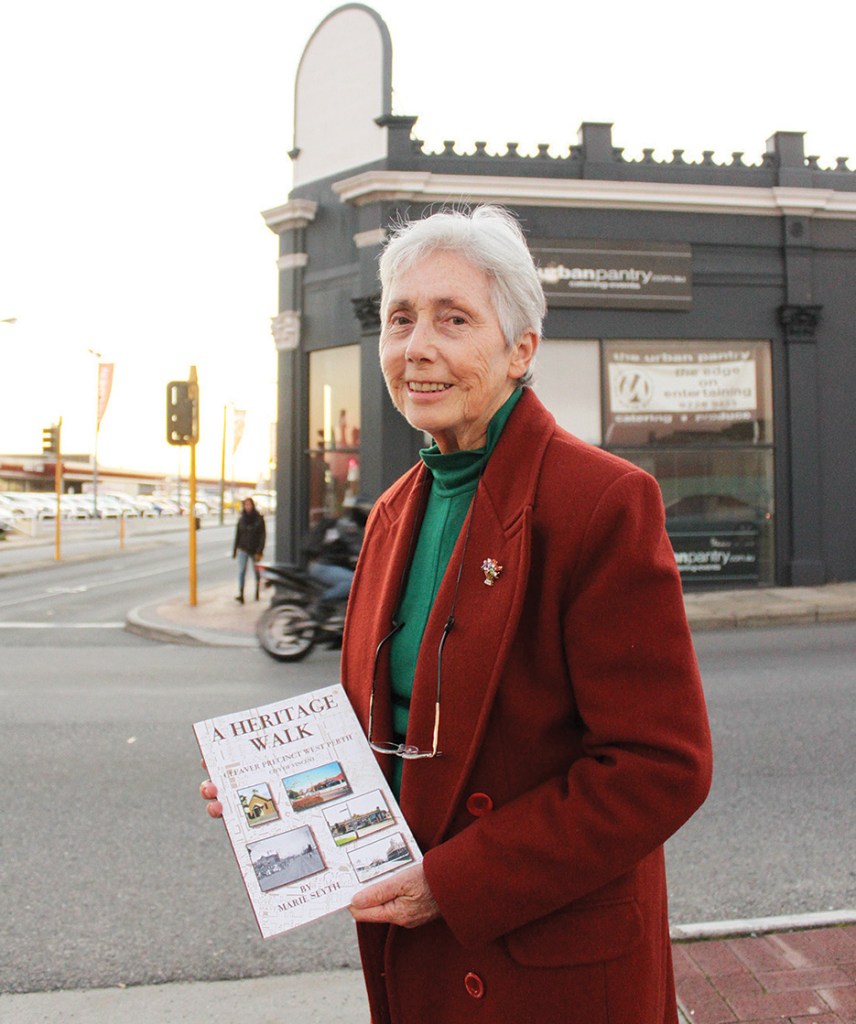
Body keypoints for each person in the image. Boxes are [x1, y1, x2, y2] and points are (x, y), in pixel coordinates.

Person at [203, 205, 712, 1024]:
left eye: (454, 319)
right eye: (400, 318)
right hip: (422, 949)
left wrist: (454, 882)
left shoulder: (602, 502)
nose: (417, 347)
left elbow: (660, 767)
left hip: (546, 965)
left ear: (521, 350)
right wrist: (276, 791)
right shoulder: (392, 512)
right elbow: (386, 728)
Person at [304, 498, 369, 616]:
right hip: (325, 566)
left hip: (329, 565)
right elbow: (357, 548)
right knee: (352, 582)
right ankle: (322, 604)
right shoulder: (347, 527)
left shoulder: (350, 526)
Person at [231, 497, 265, 604]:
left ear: (253, 506)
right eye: (246, 505)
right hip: (243, 548)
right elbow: (238, 535)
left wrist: (260, 550)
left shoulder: (259, 519)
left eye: (249, 505)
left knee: (256, 572)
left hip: (255, 550)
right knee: (241, 571)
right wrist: (235, 550)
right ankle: (241, 594)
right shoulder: (241, 519)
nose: (247, 507)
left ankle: (257, 592)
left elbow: (263, 536)